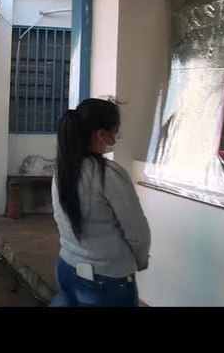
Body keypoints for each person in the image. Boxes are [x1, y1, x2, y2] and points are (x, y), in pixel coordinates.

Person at [51, 98, 151, 307]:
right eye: (115, 132)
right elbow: (137, 232)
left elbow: (59, 219)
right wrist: (140, 261)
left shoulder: (62, 170)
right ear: (100, 135)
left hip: (67, 267)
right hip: (105, 280)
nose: (115, 138)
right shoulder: (109, 174)